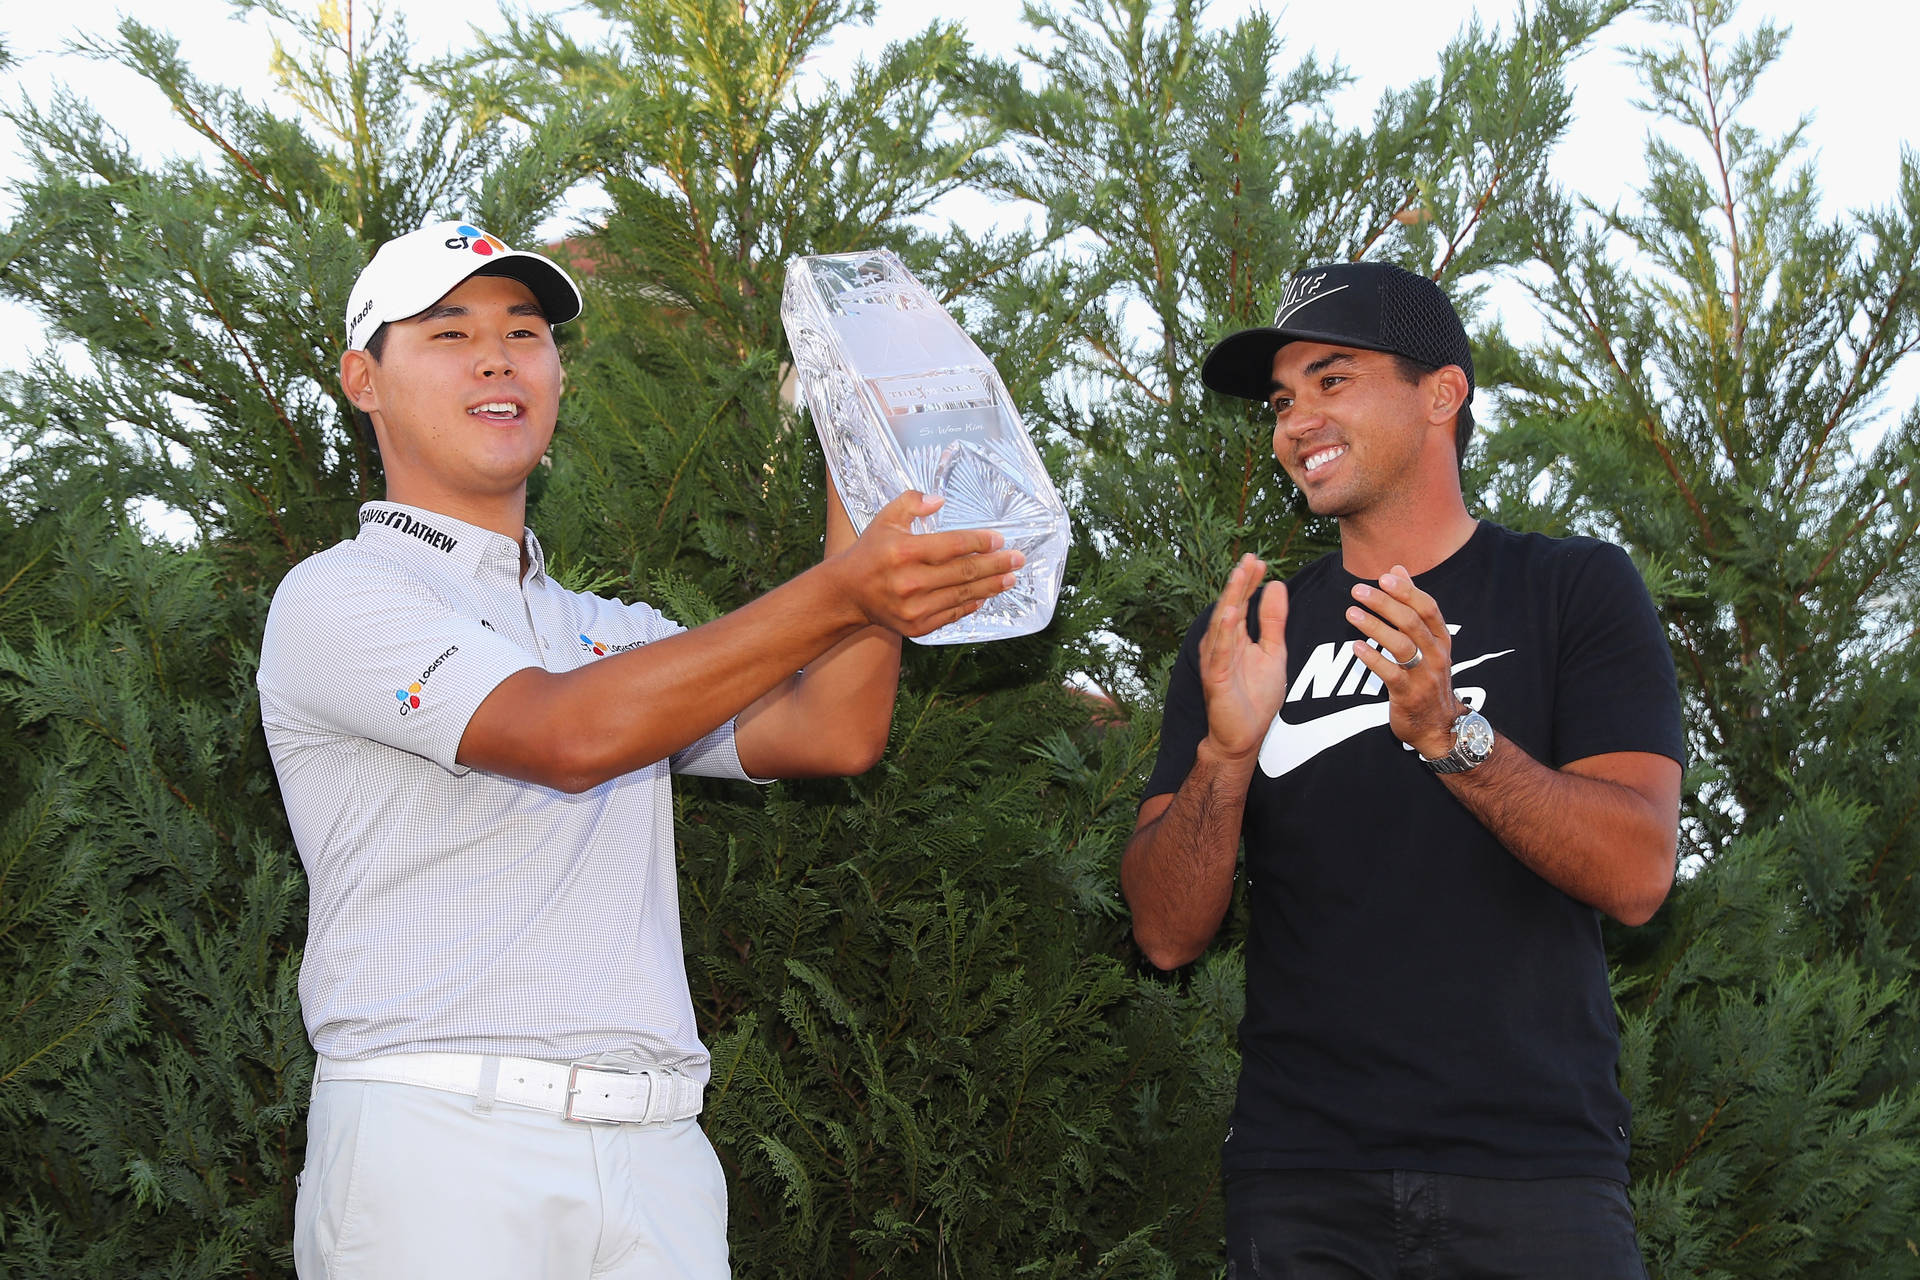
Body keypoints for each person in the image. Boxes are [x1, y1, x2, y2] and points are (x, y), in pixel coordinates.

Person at [257, 221, 1024, 1279]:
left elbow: (829, 728)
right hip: (439, 1140)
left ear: (557, 378)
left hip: (658, 1154)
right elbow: (567, 733)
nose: (496, 356)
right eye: (447, 332)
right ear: (363, 380)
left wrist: (863, 454)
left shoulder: (612, 629)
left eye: (524, 331)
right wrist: (848, 591)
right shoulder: (337, 596)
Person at [1121, 260, 1684, 1277]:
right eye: (1283, 400)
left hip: (1538, 1181)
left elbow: (1639, 869)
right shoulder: (1250, 639)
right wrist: (1223, 755)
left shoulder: (1573, 590)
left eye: (1331, 381)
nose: (1296, 422)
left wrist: (1452, 737)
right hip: (1303, 1189)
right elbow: (1163, 933)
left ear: (1441, 393)